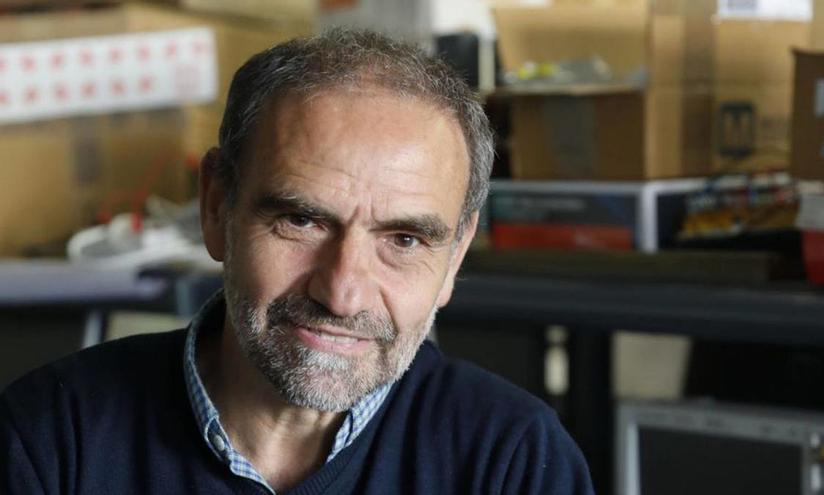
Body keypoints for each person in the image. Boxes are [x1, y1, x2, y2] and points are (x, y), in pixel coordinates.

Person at [0, 29, 594, 494]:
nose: (342, 293)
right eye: (301, 221)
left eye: (405, 240)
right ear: (216, 207)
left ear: (456, 255)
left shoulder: (514, 460)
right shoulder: (48, 440)